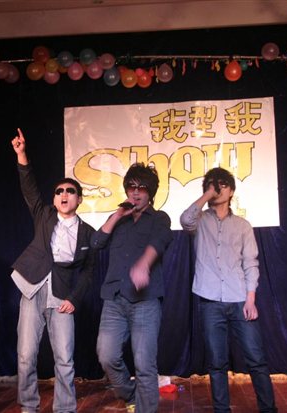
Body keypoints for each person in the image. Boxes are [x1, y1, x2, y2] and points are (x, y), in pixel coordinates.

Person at [10, 128, 97, 413]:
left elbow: (88, 271)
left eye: (70, 191)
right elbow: (29, 188)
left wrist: (74, 298)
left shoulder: (88, 233)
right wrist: (22, 154)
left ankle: (65, 409)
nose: (64, 194)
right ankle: (28, 407)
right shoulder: (44, 214)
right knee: (26, 355)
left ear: (79, 199)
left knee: (65, 359)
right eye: (59, 191)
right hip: (33, 287)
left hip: (62, 296)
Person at [179, 167, 277, 413]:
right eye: (212, 184)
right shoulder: (200, 221)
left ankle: (269, 409)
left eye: (222, 184)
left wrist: (251, 299)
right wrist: (207, 194)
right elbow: (185, 220)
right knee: (216, 363)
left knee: (256, 359)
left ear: (231, 191)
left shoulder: (243, 225)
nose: (217, 188)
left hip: (240, 298)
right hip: (210, 300)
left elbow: (250, 263)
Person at [90, 163, 173, 413]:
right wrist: (117, 215)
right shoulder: (119, 219)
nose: (135, 192)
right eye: (131, 187)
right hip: (114, 299)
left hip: (145, 301)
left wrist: (144, 264)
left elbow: (160, 241)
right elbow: (96, 243)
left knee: (145, 365)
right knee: (106, 355)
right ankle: (131, 395)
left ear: (151, 192)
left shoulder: (159, 218)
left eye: (142, 188)